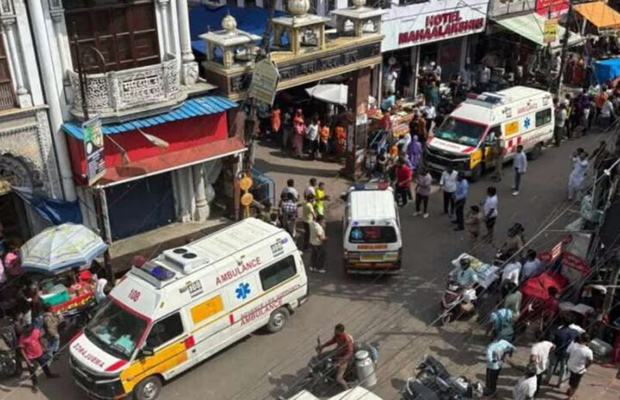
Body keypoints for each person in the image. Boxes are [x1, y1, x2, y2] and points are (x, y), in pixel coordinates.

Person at [19, 324, 59, 393]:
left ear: (31, 331)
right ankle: (35, 384)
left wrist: (44, 347)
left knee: (44, 365)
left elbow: (39, 339)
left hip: (39, 353)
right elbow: (22, 350)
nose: (26, 334)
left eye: (28, 333)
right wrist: (27, 361)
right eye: (25, 333)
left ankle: (49, 374)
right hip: (30, 356)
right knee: (32, 371)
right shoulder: (22, 338)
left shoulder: (36, 332)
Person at [316, 324, 354, 391]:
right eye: (335, 330)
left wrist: (341, 361)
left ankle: (347, 390)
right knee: (325, 357)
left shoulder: (346, 339)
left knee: (338, 378)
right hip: (339, 353)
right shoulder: (337, 336)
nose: (335, 332)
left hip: (345, 358)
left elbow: (350, 352)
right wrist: (322, 346)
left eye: (336, 331)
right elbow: (331, 341)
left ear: (341, 331)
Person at [566, 333, 593, 400]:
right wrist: (586, 367)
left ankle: (570, 389)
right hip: (579, 370)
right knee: (575, 384)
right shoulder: (588, 351)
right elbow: (590, 361)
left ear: (580, 338)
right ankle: (570, 397)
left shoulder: (573, 345)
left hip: (571, 365)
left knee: (571, 379)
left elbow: (568, 352)